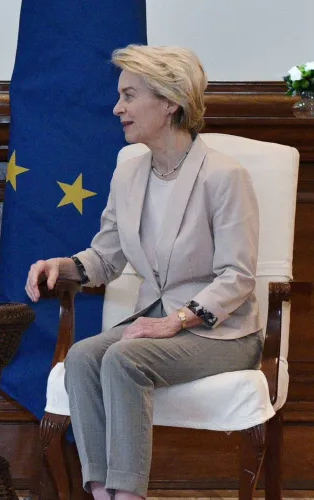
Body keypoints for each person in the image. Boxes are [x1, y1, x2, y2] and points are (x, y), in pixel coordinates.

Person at [25, 45, 263, 500]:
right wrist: (63, 266)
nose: (118, 108)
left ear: (170, 101)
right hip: (155, 319)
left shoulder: (224, 176)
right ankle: (101, 491)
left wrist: (177, 320)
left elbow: (238, 275)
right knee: (81, 356)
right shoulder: (128, 174)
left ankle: (130, 495)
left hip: (222, 334)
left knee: (123, 358)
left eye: (130, 95)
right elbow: (106, 258)